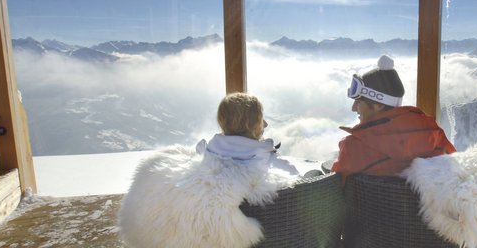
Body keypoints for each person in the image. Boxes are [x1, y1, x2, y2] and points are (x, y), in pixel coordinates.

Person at [118, 92, 299, 248]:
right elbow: (298, 186)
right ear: (258, 123)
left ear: (222, 122)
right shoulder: (275, 168)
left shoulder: (200, 168)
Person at [331, 55, 456, 180]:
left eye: (358, 102)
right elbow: (455, 170)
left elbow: (334, 187)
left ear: (378, 105)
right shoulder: (434, 134)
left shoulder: (354, 147)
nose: (353, 108)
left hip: (370, 199)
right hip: (422, 200)